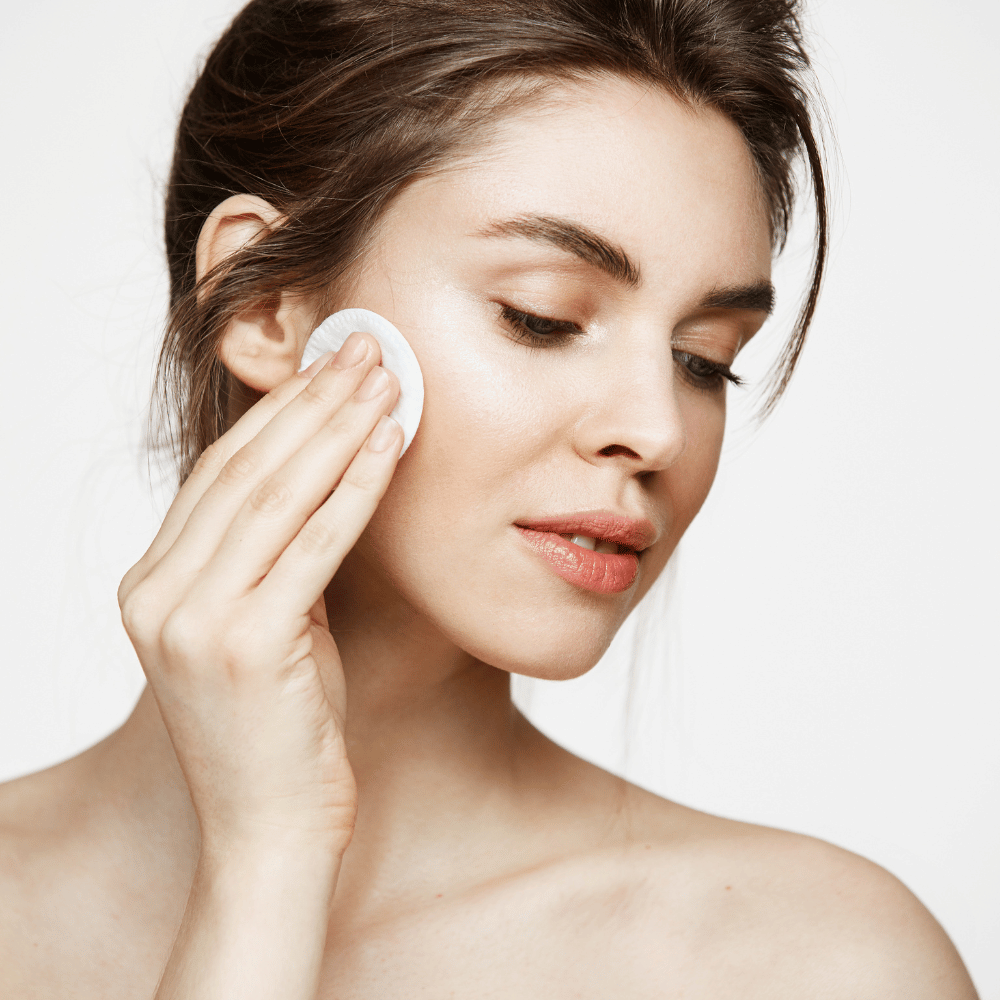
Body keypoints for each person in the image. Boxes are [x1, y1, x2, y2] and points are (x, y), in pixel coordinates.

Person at [0, 1, 979, 996]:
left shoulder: (821, 965)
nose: (658, 430)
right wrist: (266, 861)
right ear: (264, 304)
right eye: (541, 317)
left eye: (702, 359)